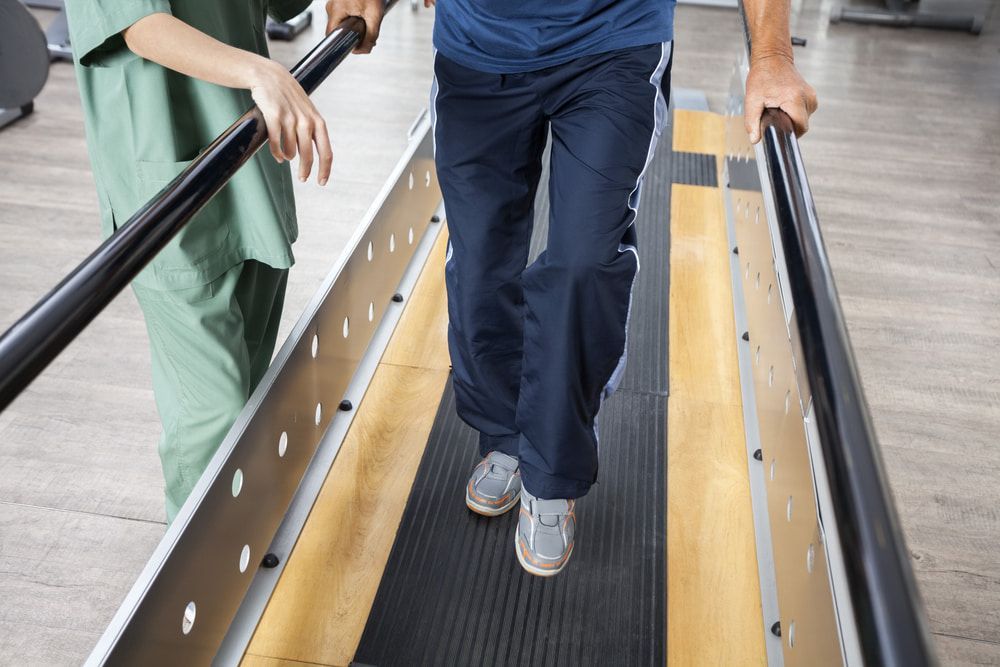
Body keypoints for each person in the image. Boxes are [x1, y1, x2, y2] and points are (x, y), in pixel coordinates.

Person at [332, 0, 817, 576]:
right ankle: (506, 436)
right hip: (476, 48)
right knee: (480, 262)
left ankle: (552, 471)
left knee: (583, 264)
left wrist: (772, 55)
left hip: (613, 40)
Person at [62, 0, 372, 522]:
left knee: (249, 403)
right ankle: (196, 568)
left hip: (250, 159)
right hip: (168, 177)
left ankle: (245, 543)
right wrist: (260, 72)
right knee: (214, 414)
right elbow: (139, 25)